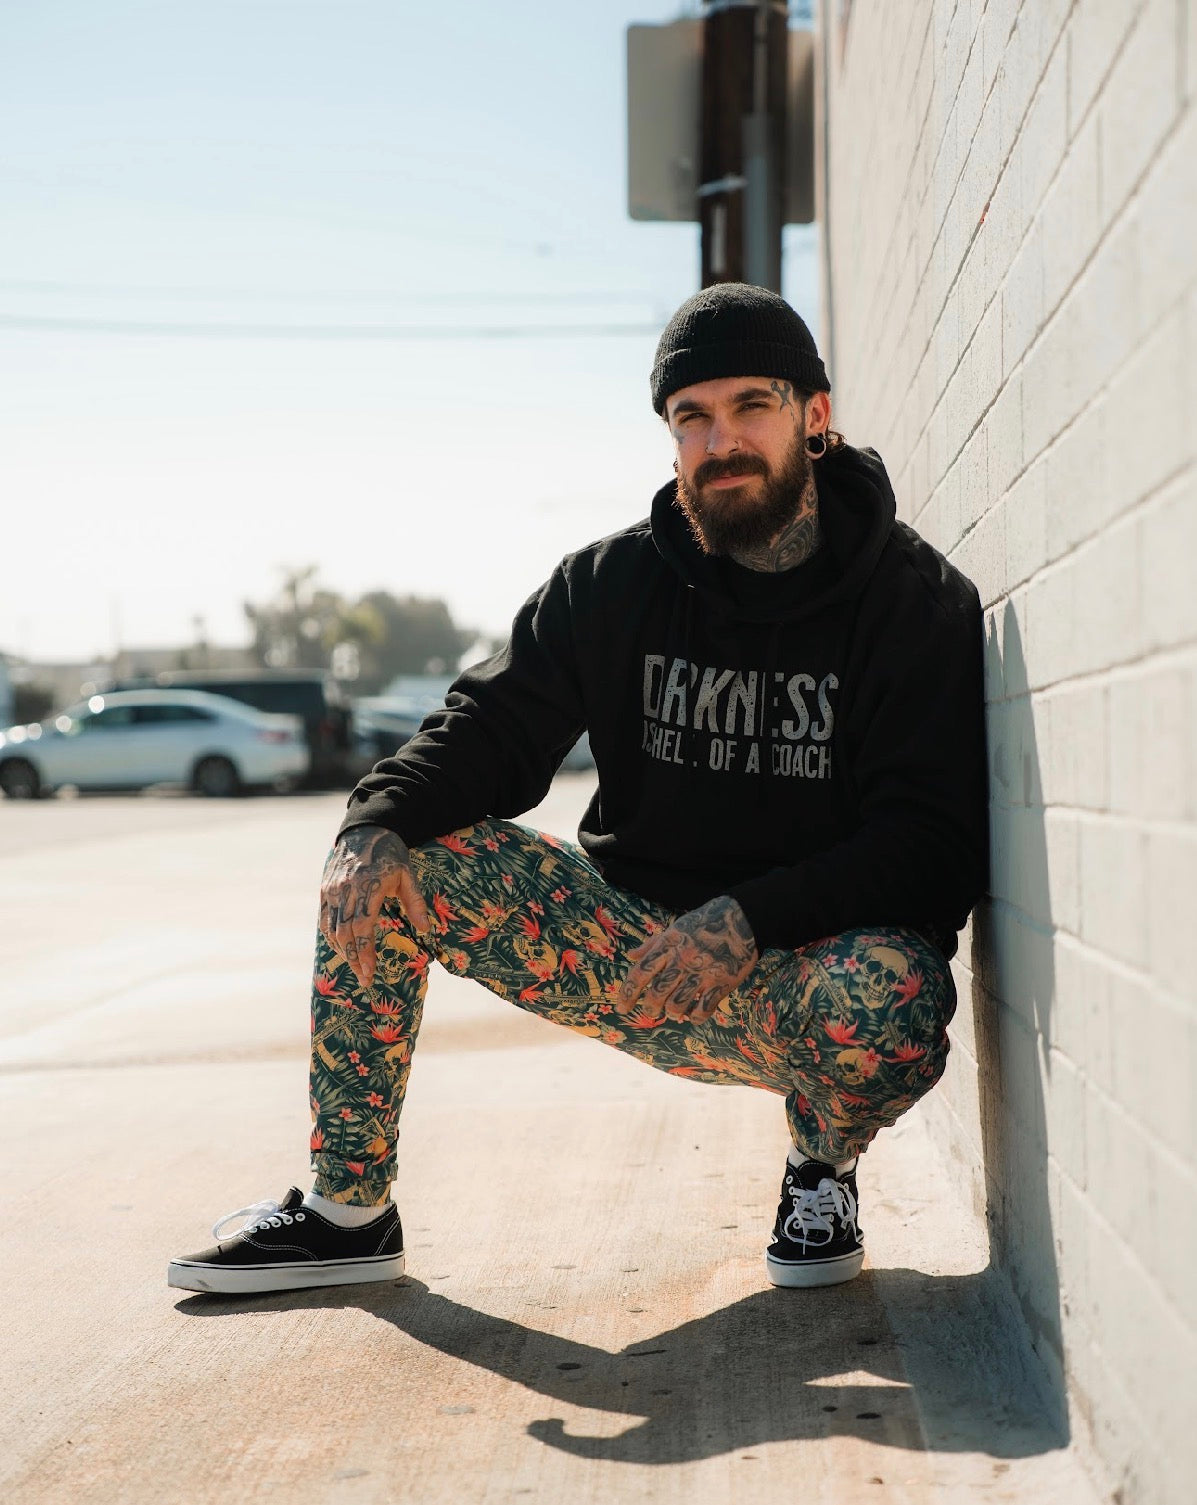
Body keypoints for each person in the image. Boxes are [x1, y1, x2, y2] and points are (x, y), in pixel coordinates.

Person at [168, 283, 988, 1297]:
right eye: (692, 416)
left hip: (790, 970)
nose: (720, 440)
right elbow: (491, 728)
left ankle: (820, 1167)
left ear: (815, 418)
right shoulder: (611, 585)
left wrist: (748, 916)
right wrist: (372, 822)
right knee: (394, 859)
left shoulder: (914, 603)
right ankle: (348, 1208)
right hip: (624, 946)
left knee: (900, 990)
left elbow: (932, 844)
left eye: (751, 407)